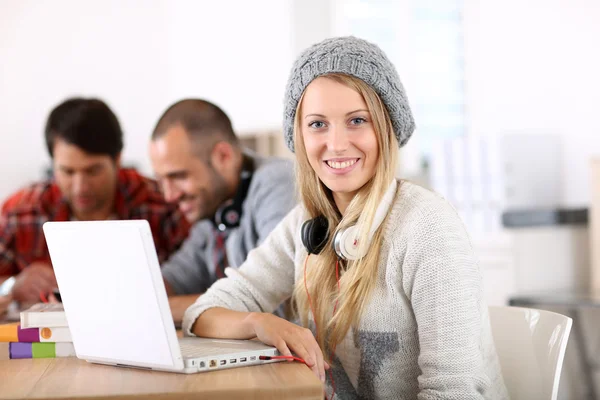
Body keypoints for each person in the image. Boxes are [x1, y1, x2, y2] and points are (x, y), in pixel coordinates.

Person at [182, 37, 508, 398]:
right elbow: (203, 314)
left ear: (386, 128)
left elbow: (455, 391)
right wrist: (258, 322)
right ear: (299, 135)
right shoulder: (307, 225)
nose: (336, 144)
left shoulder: (428, 228)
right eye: (318, 124)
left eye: (356, 120)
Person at [0, 98, 190, 306]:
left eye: (93, 171)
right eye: (67, 171)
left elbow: (197, 278)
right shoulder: (21, 211)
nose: (80, 186)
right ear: (53, 164)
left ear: (117, 160)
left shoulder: (164, 203)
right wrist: (12, 285)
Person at [149, 99, 297, 323]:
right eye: (161, 180)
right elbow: (174, 278)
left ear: (223, 157)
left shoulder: (278, 181)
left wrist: (160, 309)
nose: (169, 196)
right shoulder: (214, 207)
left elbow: (276, 302)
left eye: (178, 176)